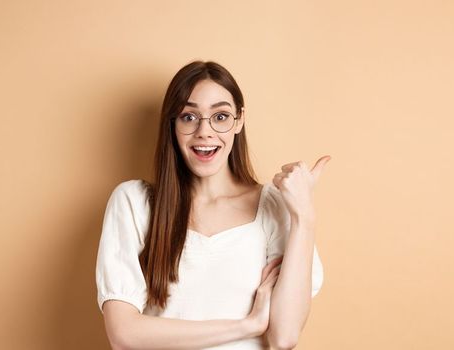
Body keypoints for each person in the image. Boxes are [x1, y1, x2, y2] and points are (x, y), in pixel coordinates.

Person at [95, 60, 329, 350]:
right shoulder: (134, 203)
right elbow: (124, 335)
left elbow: (284, 336)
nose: (204, 132)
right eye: (189, 117)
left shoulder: (273, 207)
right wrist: (247, 325)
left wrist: (304, 216)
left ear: (239, 121)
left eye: (220, 116)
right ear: (172, 124)